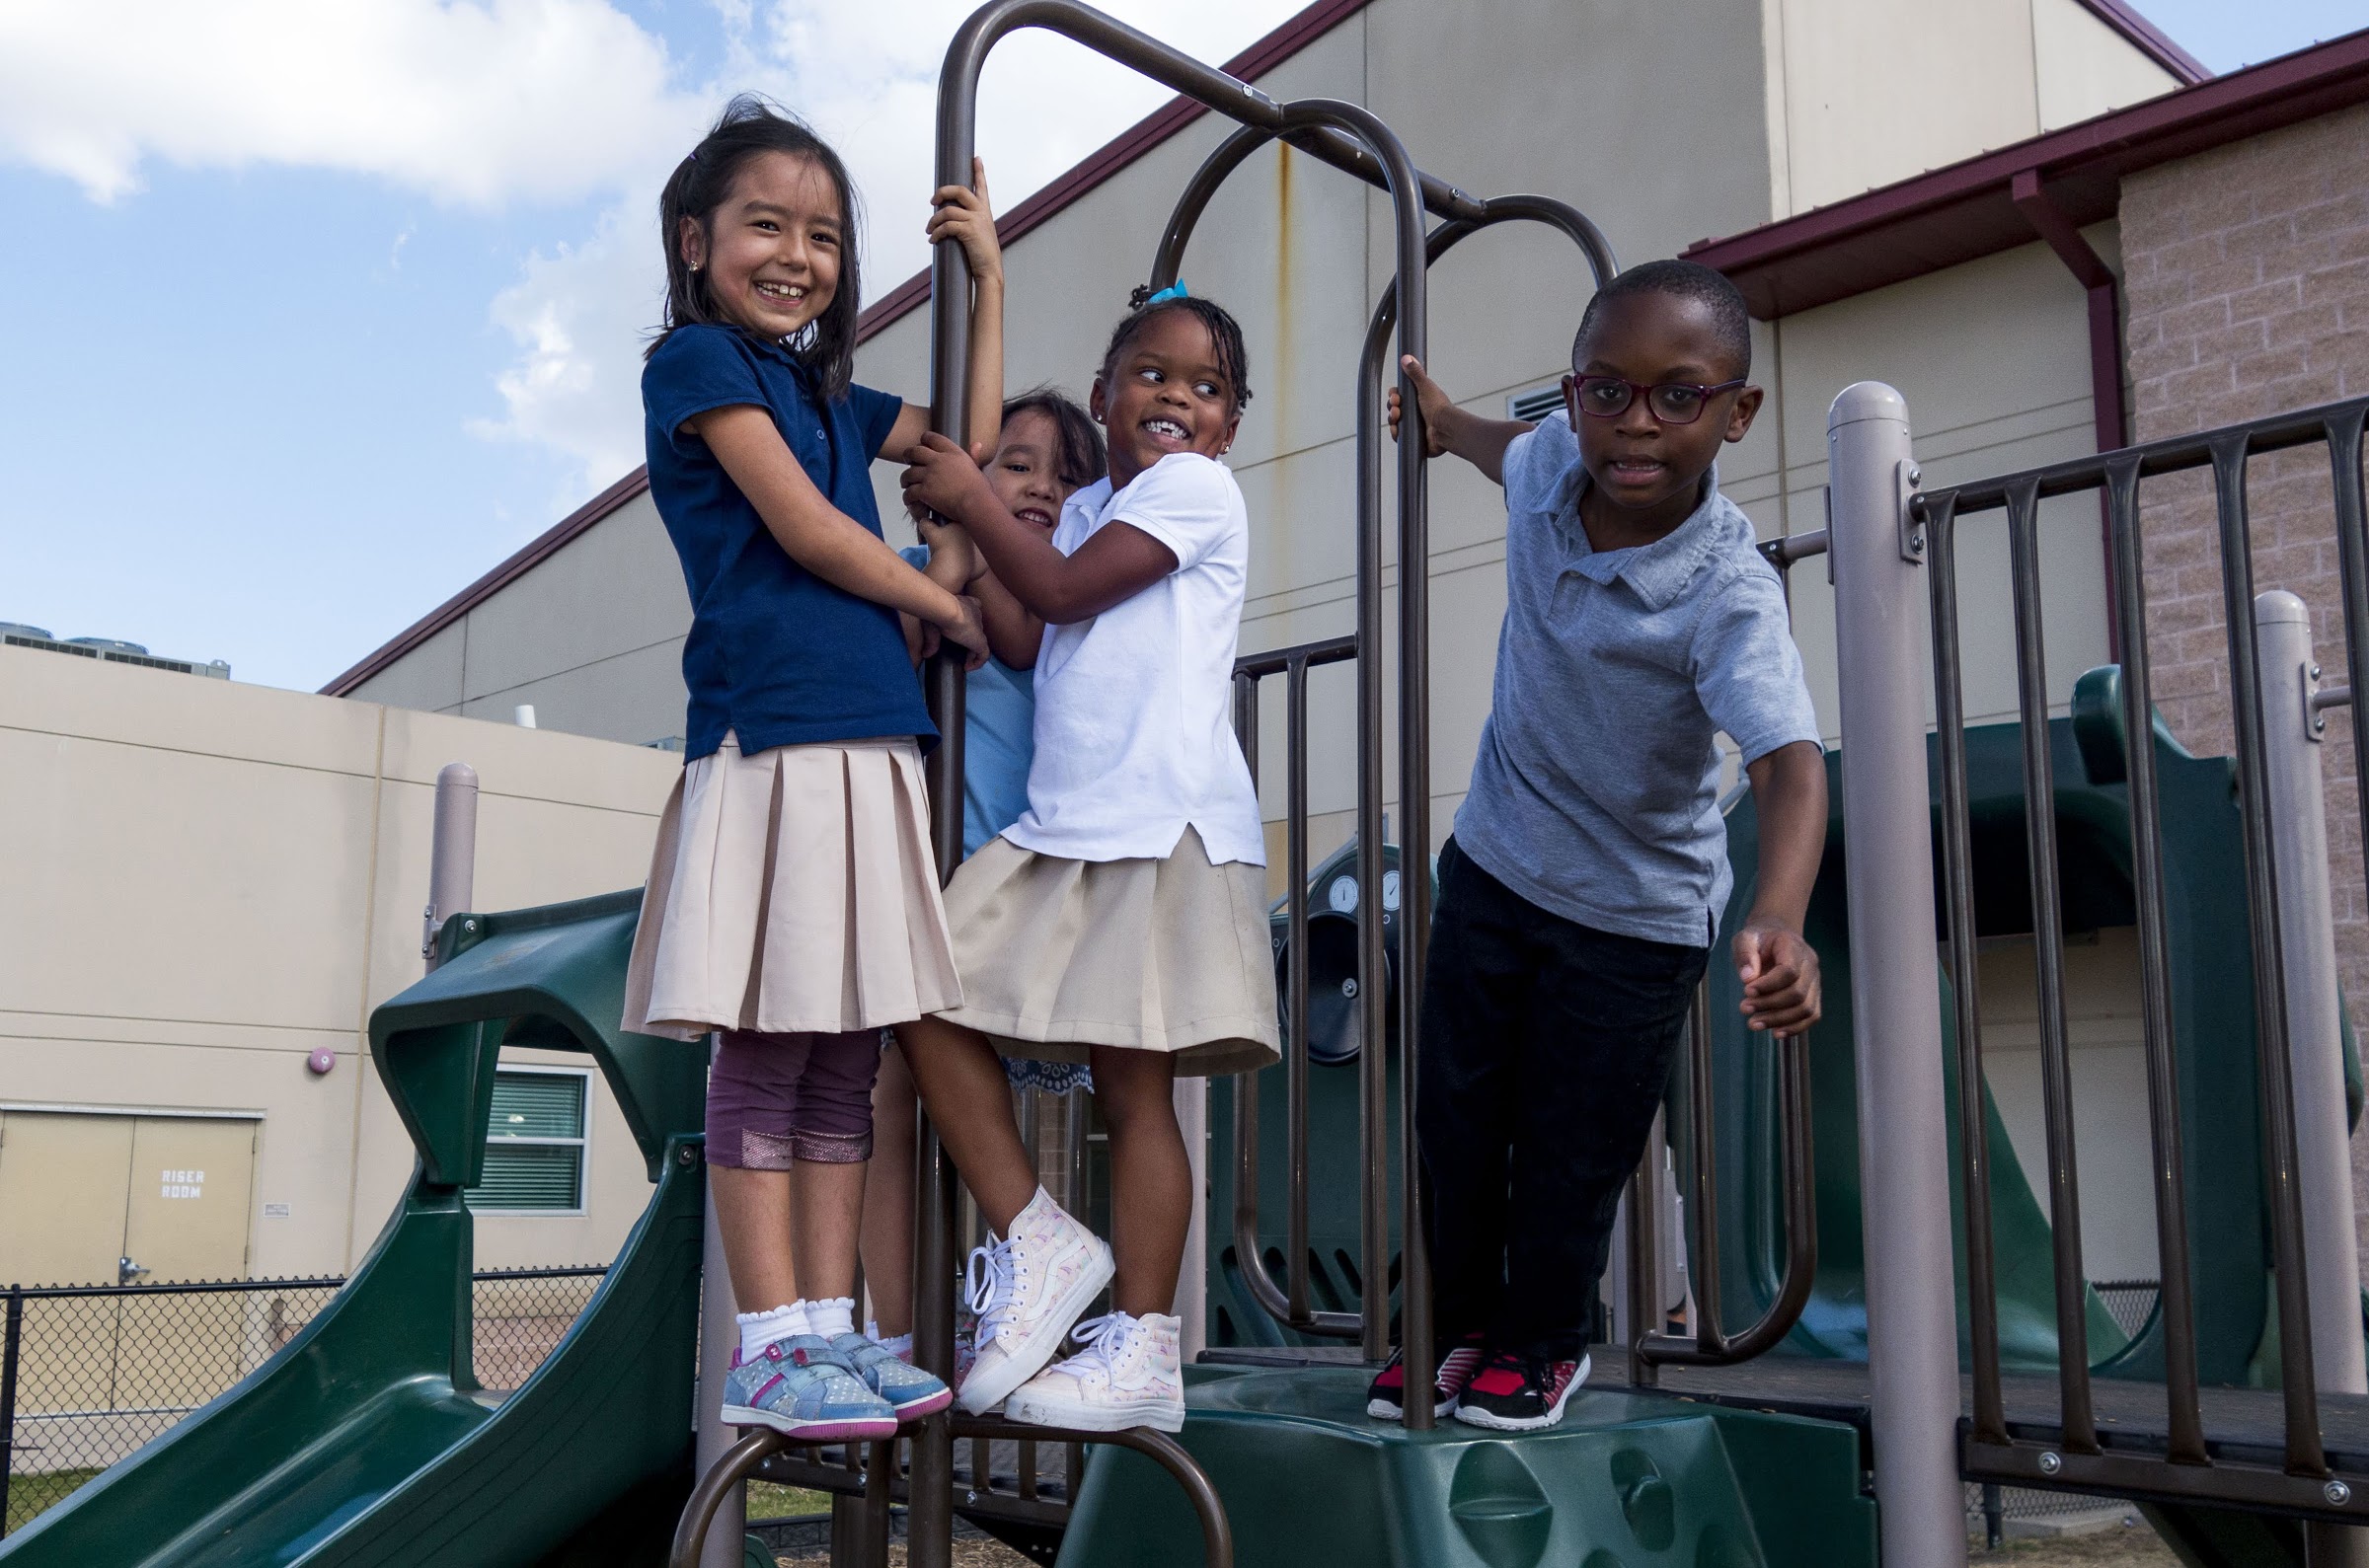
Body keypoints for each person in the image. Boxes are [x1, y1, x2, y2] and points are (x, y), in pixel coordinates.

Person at [1369, 259, 1828, 1433]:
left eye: (1679, 397)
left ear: (1738, 412)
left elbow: (1786, 763)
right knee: (1458, 1118)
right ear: (1571, 400)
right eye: (1608, 392)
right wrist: (1436, 420)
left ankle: (1544, 1338)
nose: (1637, 425)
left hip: (1632, 914)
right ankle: (1461, 1322)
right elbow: (1488, 442)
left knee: (1573, 1145)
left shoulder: (1727, 590)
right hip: (1495, 862)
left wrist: (1776, 911)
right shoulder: (1544, 468)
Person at [617, 95, 1008, 1442]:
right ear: (695, 240)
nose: (797, 256)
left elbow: (959, 441)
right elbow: (798, 528)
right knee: (770, 1039)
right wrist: (945, 600)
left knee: (846, 1046)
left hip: (867, 738)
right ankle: (771, 1339)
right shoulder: (701, 366)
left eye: (825, 235)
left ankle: (838, 1329)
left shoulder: (831, 388)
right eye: (765, 226)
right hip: (773, 735)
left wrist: (988, 276)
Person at [892, 287, 1279, 1434]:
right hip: (1071, 823)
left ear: (1231, 425)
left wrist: (969, 495)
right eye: (1152, 375)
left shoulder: (1195, 493)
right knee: (919, 980)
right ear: (1106, 393)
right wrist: (961, 555)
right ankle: (1039, 1234)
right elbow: (1025, 628)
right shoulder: (1092, 502)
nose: (1178, 398)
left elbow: (1060, 591)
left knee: (1136, 1084)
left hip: (1159, 821)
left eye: (1207, 388)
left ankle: (1145, 1346)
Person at [860, 388, 1107, 1367]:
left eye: (1068, 471)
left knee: (1032, 1104)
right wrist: (945, 568)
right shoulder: (923, 568)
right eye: (1016, 462)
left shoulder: (1069, 590)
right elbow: (913, 639)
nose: (1044, 484)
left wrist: (975, 535)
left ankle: (1043, 1273)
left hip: (1024, 879)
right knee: (885, 1098)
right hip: (938, 871)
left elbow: (1016, 634)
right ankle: (900, 1334)